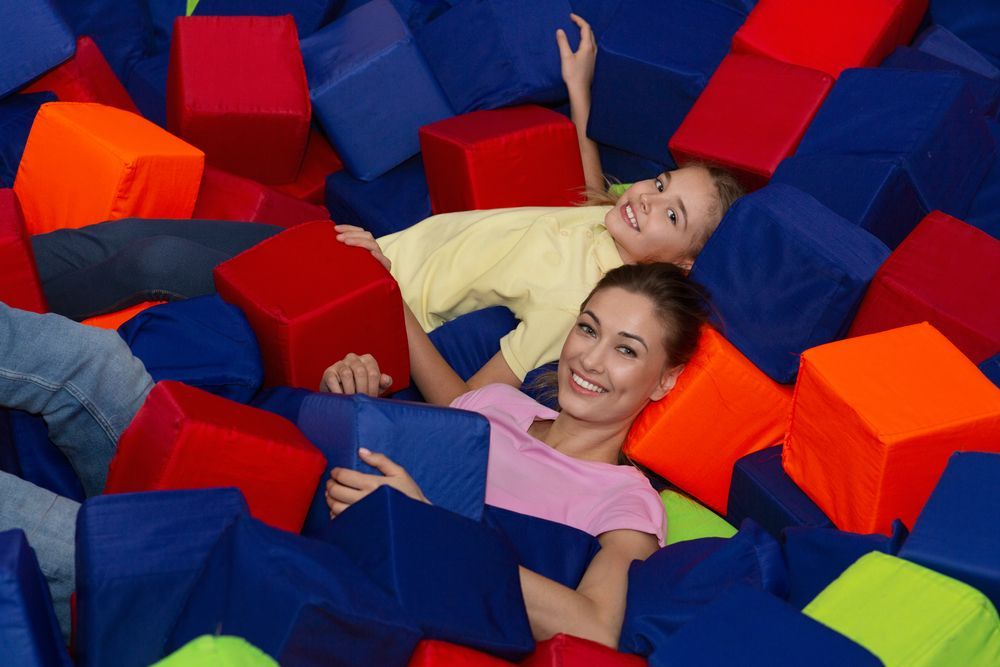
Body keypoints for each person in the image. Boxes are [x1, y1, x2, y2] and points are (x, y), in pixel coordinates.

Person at [27, 13, 743, 386]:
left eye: (670, 213)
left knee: (154, 257)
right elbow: (597, 182)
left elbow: (469, 401)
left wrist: (383, 296)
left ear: (681, 266)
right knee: (141, 234)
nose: (646, 200)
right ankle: (16, 273)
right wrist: (581, 89)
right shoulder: (609, 218)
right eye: (657, 183)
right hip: (357, 253)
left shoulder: (585, 304)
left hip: (358, 303)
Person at [319, 262, 709, 647]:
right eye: (588, 329)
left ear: (664, 380)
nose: (590, 360)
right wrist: (351, 400)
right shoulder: (496, 403)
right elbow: (399, 456)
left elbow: (595, 628)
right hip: (341, 563)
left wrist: (429, 528)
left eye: (625, 350)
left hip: (408, 627)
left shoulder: (626, 501)